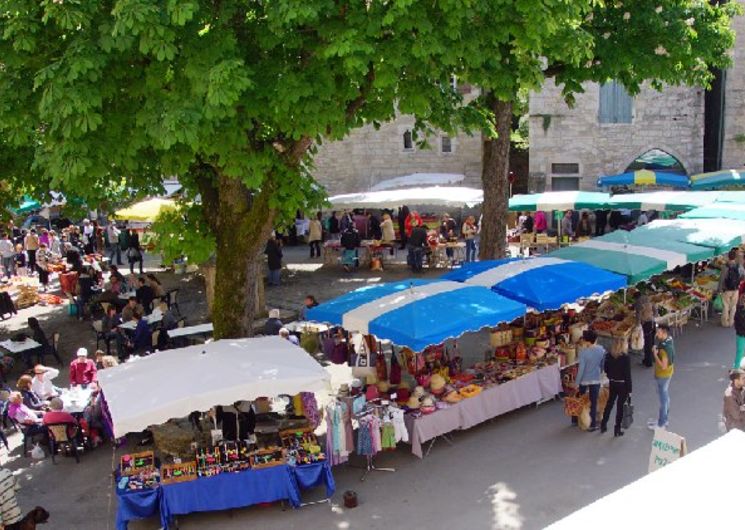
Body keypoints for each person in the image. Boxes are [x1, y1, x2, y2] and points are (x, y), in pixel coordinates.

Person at [575, 329, 606, 432]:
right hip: (595, 380)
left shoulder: (583, 353)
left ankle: (579, 421)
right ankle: (592, 425)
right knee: (593, 402)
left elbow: (581, 370)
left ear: (586, 341)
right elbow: (602, 366)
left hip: (584, 381)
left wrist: (576, 383)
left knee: (581, 402)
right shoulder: (601, 350)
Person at [600, 340, 632, 437]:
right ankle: (617, 429)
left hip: (613, 383)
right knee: (620, 407)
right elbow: (628, 376)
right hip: (623, 385)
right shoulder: (625, 358)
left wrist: (611, 377)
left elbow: (606, 370)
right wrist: (630, 390)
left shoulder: (609, 356)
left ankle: (603, 424)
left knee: (609, 404)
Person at [649, 324, 675, 430]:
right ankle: (664, 419)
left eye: (659, 332)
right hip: (669, 373)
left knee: (663, 400)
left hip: (663, 375)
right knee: (666, 397)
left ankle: (661, 424)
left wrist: (655, 354)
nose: (657, 334)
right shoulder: (669, 340)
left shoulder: (664, 350)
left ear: (664, 332)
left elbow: (664, 366)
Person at [720, 249, 741, 328]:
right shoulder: (738, 266)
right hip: (735, 289)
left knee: (725, 306)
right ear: (735, 257)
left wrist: (719, 289)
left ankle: (725, 322)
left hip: (727, 289)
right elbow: (742, 276)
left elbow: (722, 279)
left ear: (728, 257)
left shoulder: (725, 266)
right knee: (733, 306)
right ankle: (731, 322)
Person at [636, 293, 656, 368]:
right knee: (652, 342)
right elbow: (655, 311)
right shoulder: (649, 300)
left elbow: (638, 315)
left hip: (646, 324)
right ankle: (654, 357)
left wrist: (637, 325)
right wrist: (652, 316)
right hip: (652, 323)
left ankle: (648, 362)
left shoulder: (639, 303)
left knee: (647, 343)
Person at [735, 293, 745, 369]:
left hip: (741, 333)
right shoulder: (739, 311)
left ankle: (740, 366)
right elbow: (738, 323)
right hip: (741, 334)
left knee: (741, 351)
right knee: (740, 351)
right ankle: (736, 367)